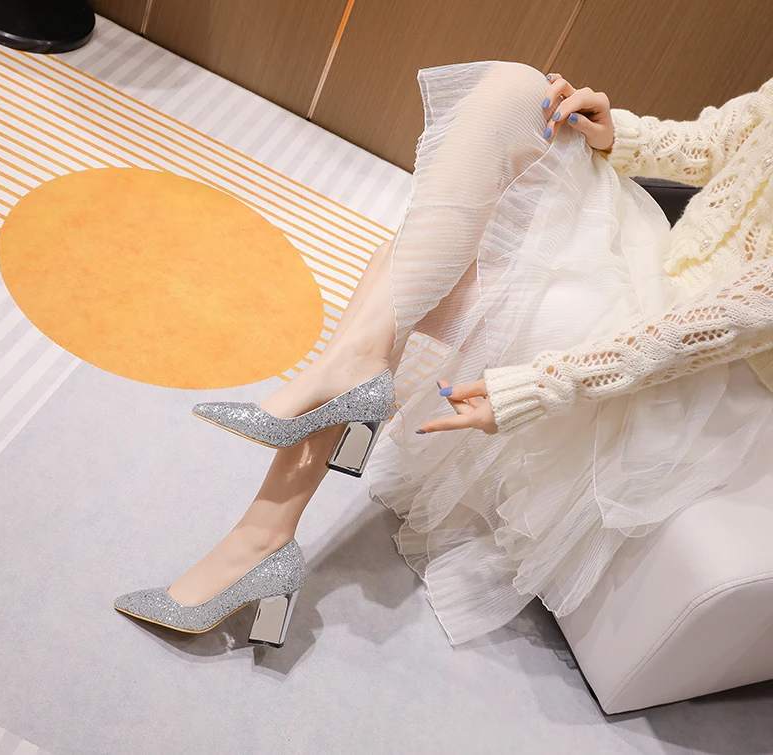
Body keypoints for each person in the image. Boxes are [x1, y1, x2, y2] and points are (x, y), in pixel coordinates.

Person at [115, 62, 773, 647]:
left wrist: (539, 386)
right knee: (517, 91)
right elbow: (720, 141)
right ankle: (292, 485)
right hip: (649, 253)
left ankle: (265, 531)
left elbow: (711, 328)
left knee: (410, 272)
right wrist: (617, 133)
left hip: (686, 359)